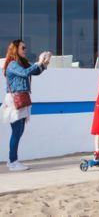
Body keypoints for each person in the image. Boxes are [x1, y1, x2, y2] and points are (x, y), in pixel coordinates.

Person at [2, 40, 50, 171]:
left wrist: (44, 63)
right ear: (15, 49)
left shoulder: (20, 63)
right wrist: (39, 62)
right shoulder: (12, 64)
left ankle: (13, 160)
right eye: (23, 48)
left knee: (19, 131)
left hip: (22, 99)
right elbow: (25, 73)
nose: (25, 50)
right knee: (16, 131)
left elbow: (34, 71)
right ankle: (12, 162)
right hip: (15, 101)